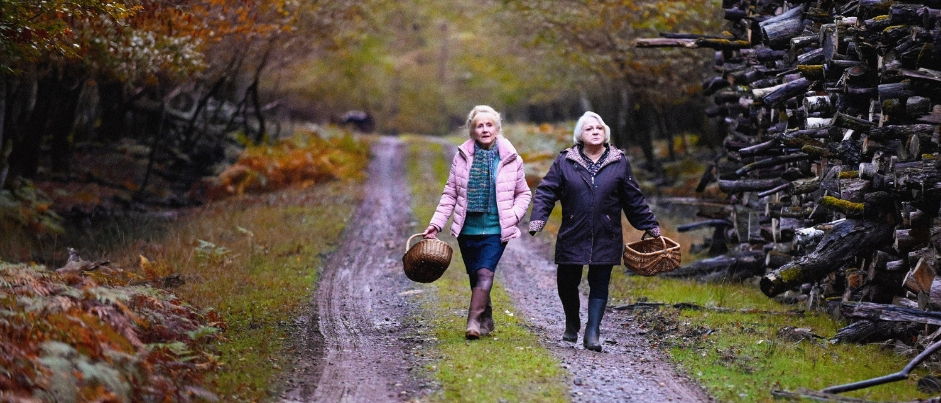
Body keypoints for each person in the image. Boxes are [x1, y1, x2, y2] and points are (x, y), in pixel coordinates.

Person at [528, 111, 660, 352]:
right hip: (572, 230)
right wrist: (538, 219)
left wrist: (650, 225)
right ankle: (572, 321)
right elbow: (547, 191)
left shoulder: (619, 161)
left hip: (606, 231)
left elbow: (633, 198)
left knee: (600, 281)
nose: (595, 131)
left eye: (599, 127)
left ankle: (593, 331)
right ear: (580, 135)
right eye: (589, 128)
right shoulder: (565, 160)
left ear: (606, 132)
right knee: (567, 281)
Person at [423, 105, 532, 340]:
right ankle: (486, 316)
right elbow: (450, 193)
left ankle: (472, 321)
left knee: (485, 272)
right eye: (479, 126)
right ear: (472, 131)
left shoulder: (511, 158)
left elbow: (524, 193)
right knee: (475, 275)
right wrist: (436, 224)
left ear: (497, 128)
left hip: (496, 228)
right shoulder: (462, 157)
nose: (484, 129)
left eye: (489, 125)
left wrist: (513, 216)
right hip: (467, 228)